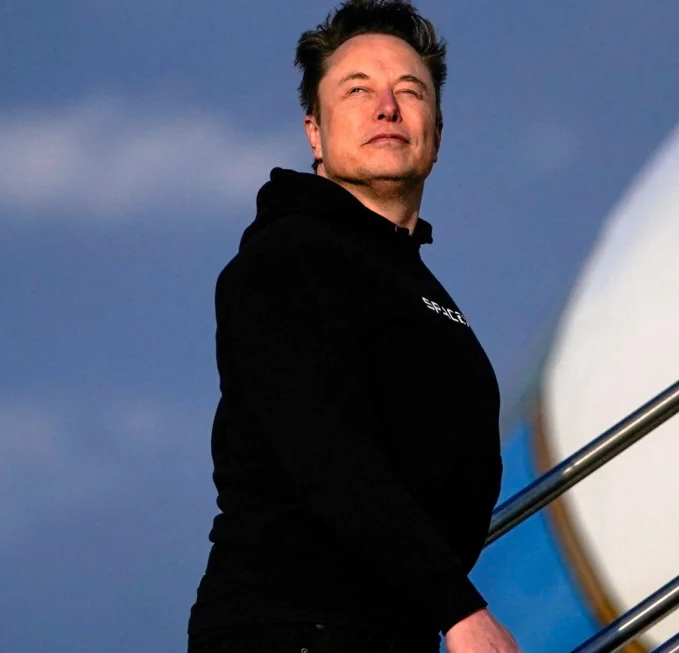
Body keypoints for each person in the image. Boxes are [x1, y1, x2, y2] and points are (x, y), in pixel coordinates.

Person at [187, 2, 522, 652]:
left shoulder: (413, 283)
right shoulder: (290, 257)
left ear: (437, 131)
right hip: (296, 628)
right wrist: (460, 610)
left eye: (409, 91)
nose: (387, 107)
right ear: (314, 132)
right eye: (357, 90)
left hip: (388, 628)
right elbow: (329, 455)